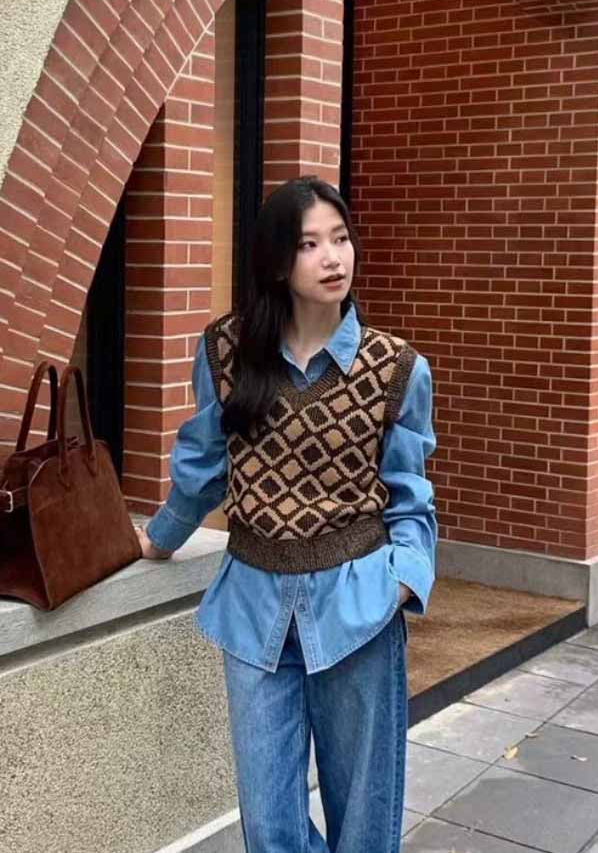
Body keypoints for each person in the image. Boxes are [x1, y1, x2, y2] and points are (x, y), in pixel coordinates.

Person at [135, 175, 437, 853]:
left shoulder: (396, 368)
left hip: (360, 605)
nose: (333, 257)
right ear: (277, 261)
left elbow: (411, 493)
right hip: (253, 607)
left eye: (340, 238)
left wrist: (404, 580)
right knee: (270, 823)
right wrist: (162, 537)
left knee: (364, 820)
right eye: (309, 244)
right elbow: (203, 465)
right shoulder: (226, 351)